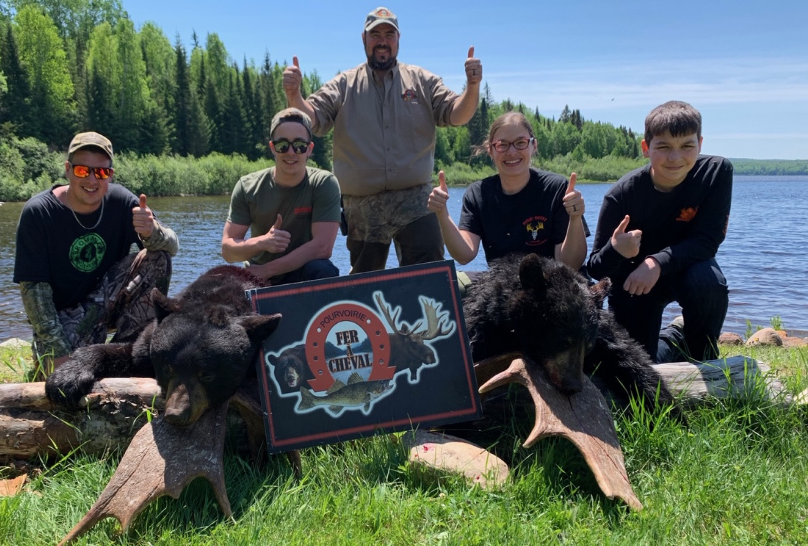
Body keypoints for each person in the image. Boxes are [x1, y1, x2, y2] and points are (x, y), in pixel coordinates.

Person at [282, 6, 482, 273]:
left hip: (416, 200)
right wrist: (294, 95)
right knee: (365, 281)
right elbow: (313, 120)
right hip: (361, 204)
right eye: (375, 34)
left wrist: (472, 87)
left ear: (398, 40)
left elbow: (458, 114)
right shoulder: (343, 84)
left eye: (389, 34)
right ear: (364, 39)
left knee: (429, 275)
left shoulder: (422, 80)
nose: (382, 40)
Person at [14, 131, 179, 377]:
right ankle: (53, 355)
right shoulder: (39, 213)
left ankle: (129, 354)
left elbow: (172, 246)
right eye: (83, 170)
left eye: (101, 172)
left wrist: (153, 232)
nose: (92, 179)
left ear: (110, 175)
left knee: (158, 256)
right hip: (64, 317)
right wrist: (57, 353)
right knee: (62, 372)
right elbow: (34, 294)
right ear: (68, 170)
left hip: (107, 299)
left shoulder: (122, 201)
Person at [587, 101, 732, 363]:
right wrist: (617, 250)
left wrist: (655, 262)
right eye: (663, 147)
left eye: (687, 146)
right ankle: (675, 339)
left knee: (708, 282)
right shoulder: (620, 196)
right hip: (635, 283)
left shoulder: (717, 172)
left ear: (700, 144)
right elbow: (596, 267)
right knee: (640, 364)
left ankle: (705, 360)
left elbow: (708, 240)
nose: (675, 157)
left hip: (688, 270)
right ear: (646, 148)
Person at [427, 112, 587, 280]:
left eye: (520, 143)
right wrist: (442, 213)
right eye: (502, 145)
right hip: (504, 286)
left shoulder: (556, 189)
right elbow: (464, 255)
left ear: (534, 146)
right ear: (491, 150)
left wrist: (575, 218)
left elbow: (570, 264)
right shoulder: (478, 193)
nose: (511, 152)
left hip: (554, 284)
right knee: (448, 283)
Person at [221, 108, 341, 285]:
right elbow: (228, 251)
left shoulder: (324, 183)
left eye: (299, 145)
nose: (291, 152)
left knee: (323, 270)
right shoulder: (247, 187)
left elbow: (322, 248)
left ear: (309, 149)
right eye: (282, 145)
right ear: (272, 148)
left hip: (299, 274)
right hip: (256, 276)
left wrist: (266, 271)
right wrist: (262, 242)